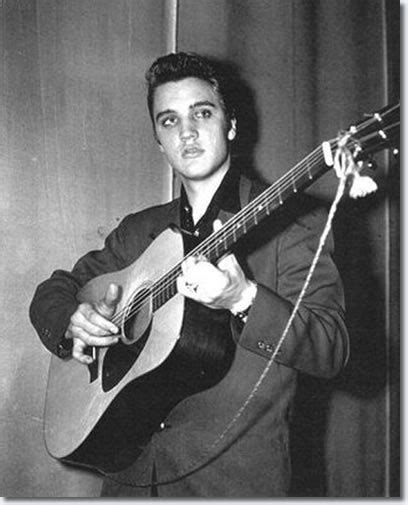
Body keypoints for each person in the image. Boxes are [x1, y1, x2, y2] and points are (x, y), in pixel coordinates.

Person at [29, 52, 349, 498]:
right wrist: (71, 319)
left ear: (231, 125)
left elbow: (330, 348)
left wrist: (245, 299)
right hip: (131, 476)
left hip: (233, 483)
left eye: (202, 112)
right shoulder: (138, 231)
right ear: (159, 142)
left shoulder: (293, 222)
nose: (187, 132)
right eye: (169, 121)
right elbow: (55, 290)